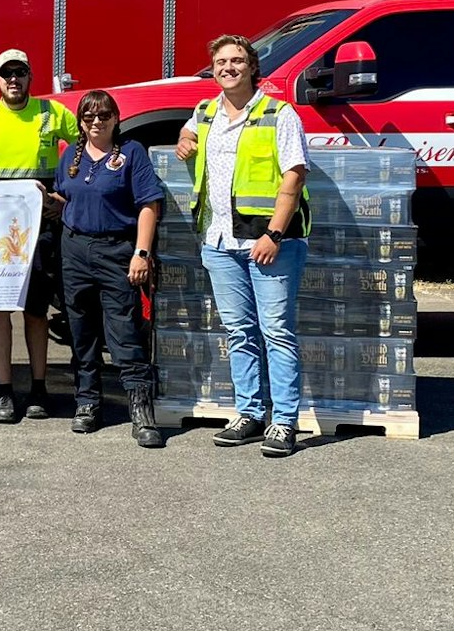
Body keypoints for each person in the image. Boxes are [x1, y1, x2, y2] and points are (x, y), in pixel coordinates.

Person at [174, 34, 312, 458]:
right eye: (220, 62)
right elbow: (188, 132)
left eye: (237, 60)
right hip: (218, 241)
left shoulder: (279, 113)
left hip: (268, 242)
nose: (228, 67)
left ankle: (284, 421)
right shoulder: (205, 111)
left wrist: (273, 234)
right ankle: (249, 413)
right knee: (239, 332)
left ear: (253, 67)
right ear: (212, 69)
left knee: (276, 333)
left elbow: (295, 175)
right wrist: (184, 139)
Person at [0, 48, 80, 423]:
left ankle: (38, 388)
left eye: (21, 73)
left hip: (42, 224)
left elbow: (89, 145)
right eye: (7, 74)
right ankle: (3, 391)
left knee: (35, 310)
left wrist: (67, 191)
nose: (14, 79)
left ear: (30, 77)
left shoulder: (51, 113)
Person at [60, 90, 166, 446]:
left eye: (103, 115)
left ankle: (141, 410)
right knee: (81, 332)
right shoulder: (71, 157)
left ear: (115, 118)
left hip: (117, 250)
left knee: (124, 331)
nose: (96, 122)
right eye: (88, 116)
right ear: (80, 121)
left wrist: (142, 253)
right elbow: (64, 198)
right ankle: (87, 403)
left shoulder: (131, 153)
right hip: (74, 248)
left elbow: (149, 204)